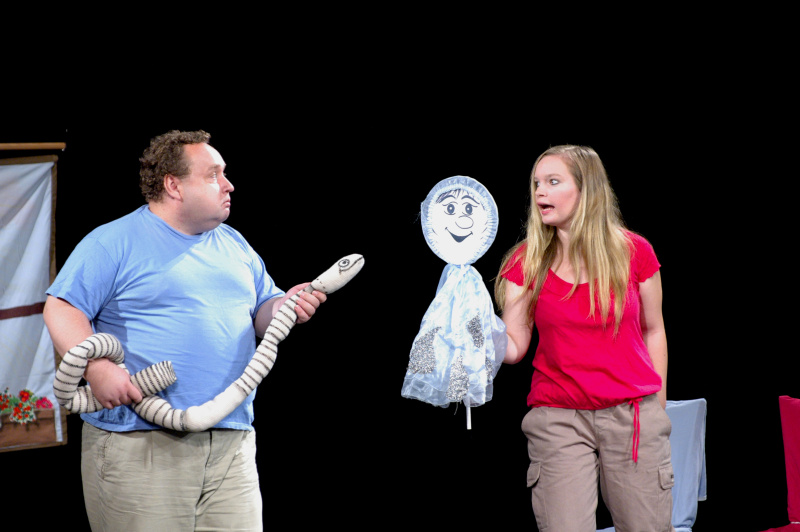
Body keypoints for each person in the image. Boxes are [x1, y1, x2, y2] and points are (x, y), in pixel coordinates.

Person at [43, 130, 327, 531]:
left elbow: (263, 310)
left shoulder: (234, 244)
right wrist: (97, 367)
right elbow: (61, 307)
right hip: (141, 445)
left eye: (224, 173)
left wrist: (286, 307)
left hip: (230, 444)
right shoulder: (113, 242)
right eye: (213, 175)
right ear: (173, 185)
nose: (228, 185)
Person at [494, 145, 671, 532]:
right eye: (536, 183)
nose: (540, 192)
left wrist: (656, 407)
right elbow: (513, 346)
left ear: (586, 188)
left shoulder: (634, 252)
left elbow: (653, 329)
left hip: (632, 414)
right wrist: (476, 330)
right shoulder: (526, 262)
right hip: (559, 416)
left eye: (553, 181)